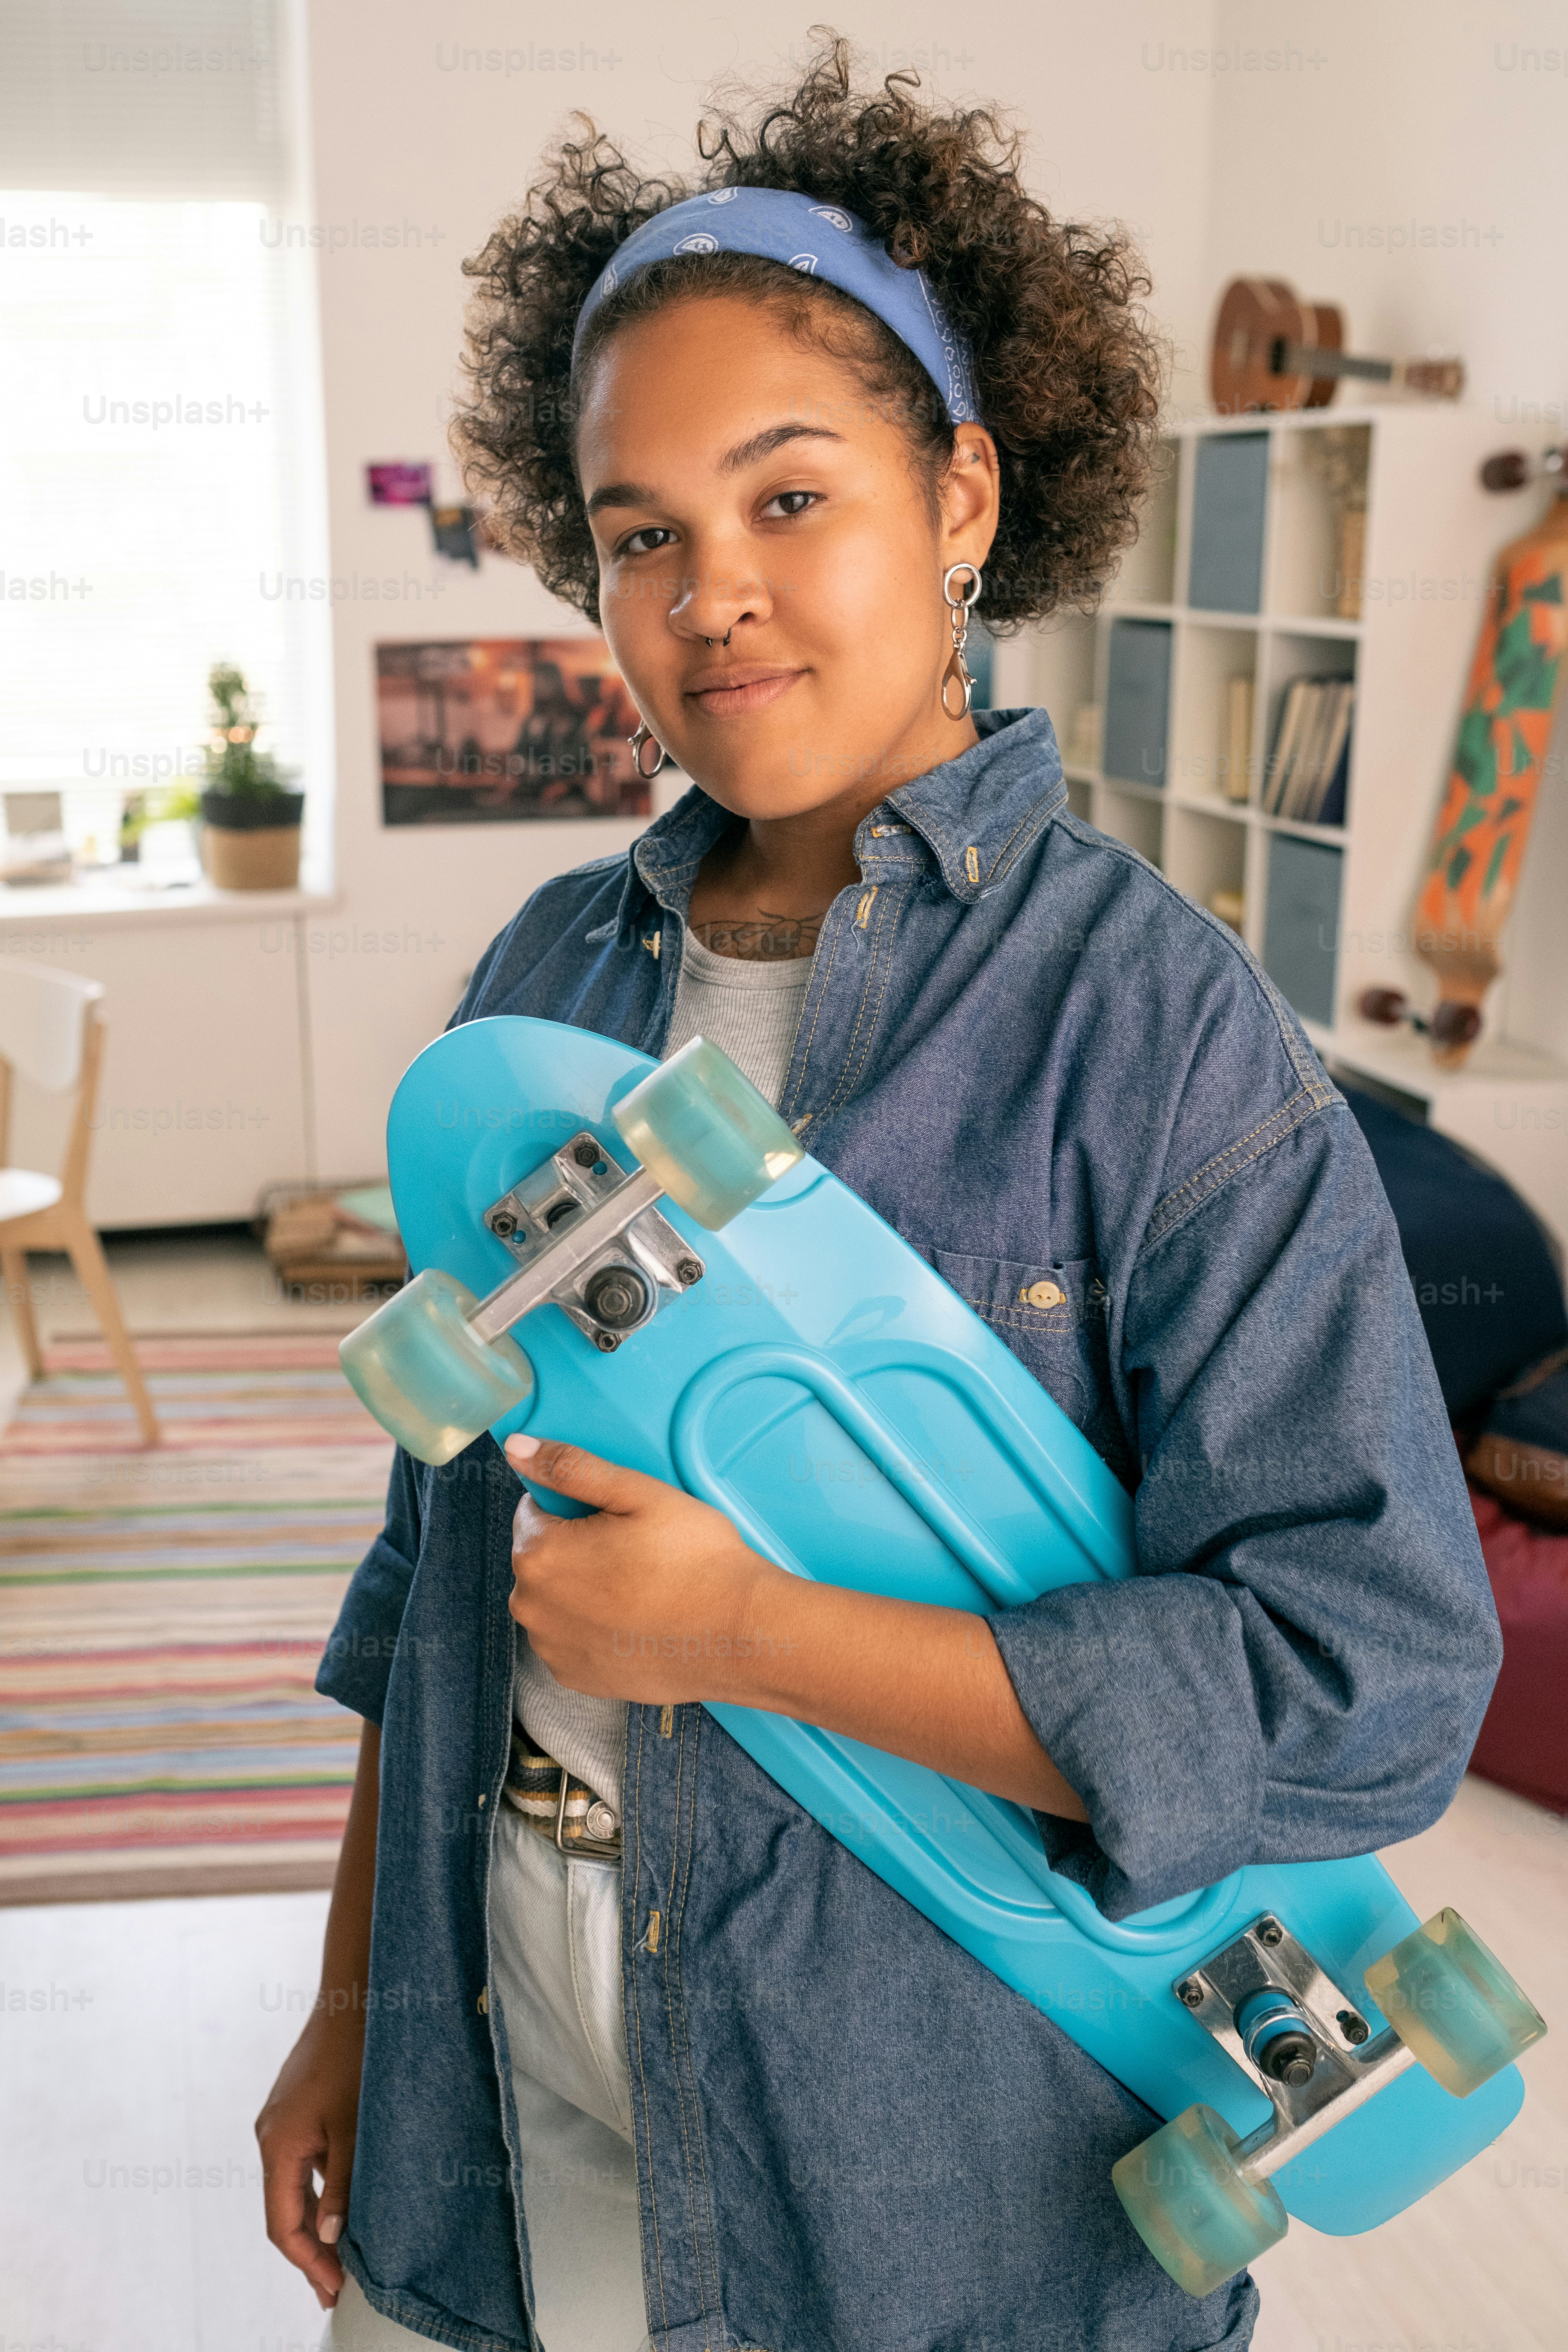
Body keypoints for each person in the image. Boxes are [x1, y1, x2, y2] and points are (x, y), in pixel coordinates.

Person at [256, 37, 1502, 2352]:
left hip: (934, 2176)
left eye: (789, 498)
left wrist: (750, 1642)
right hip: (497, 2089)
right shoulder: (549, 981)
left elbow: (1372, 1683)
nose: (710, 597)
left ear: (963, 497)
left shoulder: (1154, 1028)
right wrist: (352, 2006)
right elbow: (432, 1568)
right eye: (641, 534)